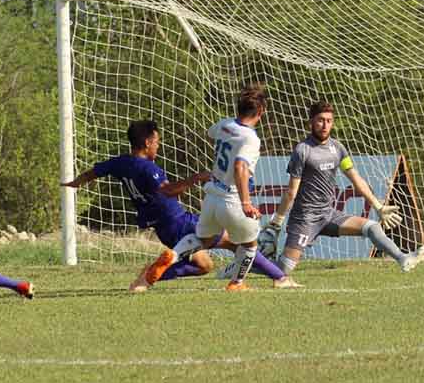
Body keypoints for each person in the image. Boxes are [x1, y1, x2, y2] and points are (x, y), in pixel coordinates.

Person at [61, 119, 298, 291]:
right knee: (237, 243)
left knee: (204, 265)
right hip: (178, 221)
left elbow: (95, 171)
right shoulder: (148, 168)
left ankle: (148, 276)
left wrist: (76, 182)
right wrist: (195, 178)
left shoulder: (120, 162)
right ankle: (279, 277)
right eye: (156, 142)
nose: (158, 146)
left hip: (163, 229)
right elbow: (166, 190)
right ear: (146, 142)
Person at [258, 101, 424, 275]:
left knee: (371, 227)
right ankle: (246, 266)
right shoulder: (302, 150)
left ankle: (403, 259)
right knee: (282, 270)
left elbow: (356, 179)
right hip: (305, 218)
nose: (325, 125)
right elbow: (291, 192)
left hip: (328, 214)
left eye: (329, 120)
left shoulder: (337, 148)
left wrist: (378, 206)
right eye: (320, 120)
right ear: (311, 122)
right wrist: (276, 223)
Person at [140, 82, 274, 291]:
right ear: (261, 111)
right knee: (250, 244)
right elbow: (240, 167)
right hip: (232, 199)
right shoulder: (251, 138)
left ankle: (173, 255)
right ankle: (236, 283)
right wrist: (246, 203)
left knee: (203, 238)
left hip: (212, 196)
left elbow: (212, 133)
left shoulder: (224, 125)